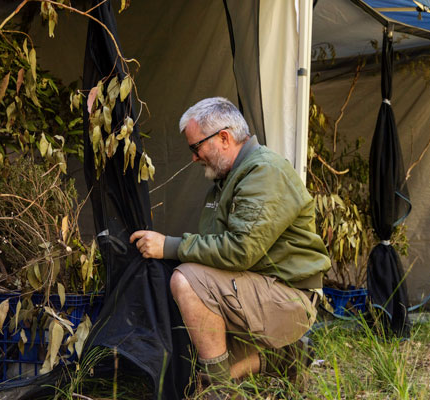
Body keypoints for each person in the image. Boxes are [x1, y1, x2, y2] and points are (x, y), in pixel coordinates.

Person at [129, 97, 331, 386]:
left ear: (223, 137)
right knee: (186, 379)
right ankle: (288, 356)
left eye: (195, 147)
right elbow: (215, 252)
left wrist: (169, 246)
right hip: (253, 288)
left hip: (290, 297)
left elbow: (239, 251)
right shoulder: (225, 182)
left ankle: (219, 389)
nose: (194, 157)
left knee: (187, 280)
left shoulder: (264, 172)